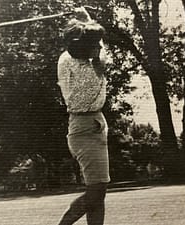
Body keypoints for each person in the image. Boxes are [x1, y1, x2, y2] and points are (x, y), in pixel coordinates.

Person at [57, 7, 110, 225]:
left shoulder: (68, 57)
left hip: (92, 124)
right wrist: (87, 20)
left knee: (98, 191)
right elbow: (103, 57)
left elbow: (96, 41)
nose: (99, 46)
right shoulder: (87, 67)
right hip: (84, 128)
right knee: (97, 191)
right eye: (95, 44)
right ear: (83, 47)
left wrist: (85, 21)